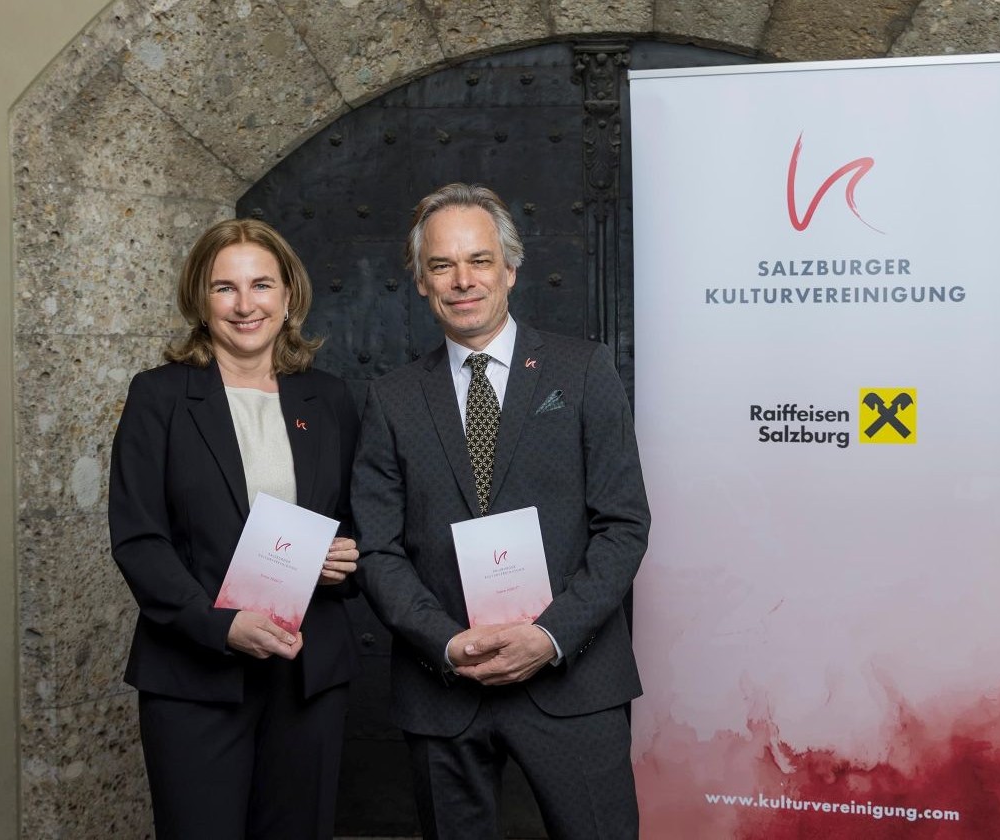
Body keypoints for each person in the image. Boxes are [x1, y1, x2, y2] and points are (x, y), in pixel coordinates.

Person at [352, 183, 651, 839]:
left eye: (480, 260)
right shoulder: (391, 399)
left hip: (573, 680)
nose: (463, 281)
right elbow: (377, 548)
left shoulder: (583, 372)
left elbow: (623, 526)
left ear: (510, 269)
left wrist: (547, 636)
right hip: (444, 686)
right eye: (442, 265)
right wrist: (445, 642)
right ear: (422, 282)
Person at [108, 218, 360, 839]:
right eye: (225, 288)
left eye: (261, 285)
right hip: (194, 674)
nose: (245, 305)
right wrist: (220, 626)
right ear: (200, 299)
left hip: (307, 676)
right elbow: (140, 538)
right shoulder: (159, 396)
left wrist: (345, 557)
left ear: (289, 296)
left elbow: (361, 520)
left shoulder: (329, 399)